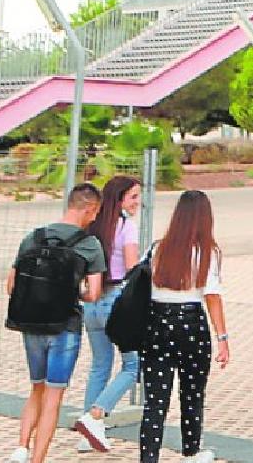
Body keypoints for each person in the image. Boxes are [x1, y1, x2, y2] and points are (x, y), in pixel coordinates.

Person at [6, 182, 105, 463]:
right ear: (89, 208)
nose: (95, 219)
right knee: (53, 397)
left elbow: (11, 285)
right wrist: (73, 289)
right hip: (65, 328)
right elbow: (93, 294)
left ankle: (21, 448)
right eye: (95, 213)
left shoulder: (33, 238)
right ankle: (38, 459)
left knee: (36, 387)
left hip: (31, 325)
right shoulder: (89, 245)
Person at [138, 190, 230, 463]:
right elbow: (212, 296)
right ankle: (191, 449)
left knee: (155, 399)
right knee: (192, 392)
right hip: (191, 322)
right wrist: (222, 337)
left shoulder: (158, 248)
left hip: (156, 322)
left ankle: (149, 456)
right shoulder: (207, 253)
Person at [72, 175, 142, 453]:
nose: (138, 203)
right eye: (134, 197)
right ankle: (95, 414)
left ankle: (87, 433)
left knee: (100, 364)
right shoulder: (127, 226)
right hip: (115, 299)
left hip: (91, 300)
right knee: (132, 366)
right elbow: (132, 268)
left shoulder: (91, 226)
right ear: (120, 199)